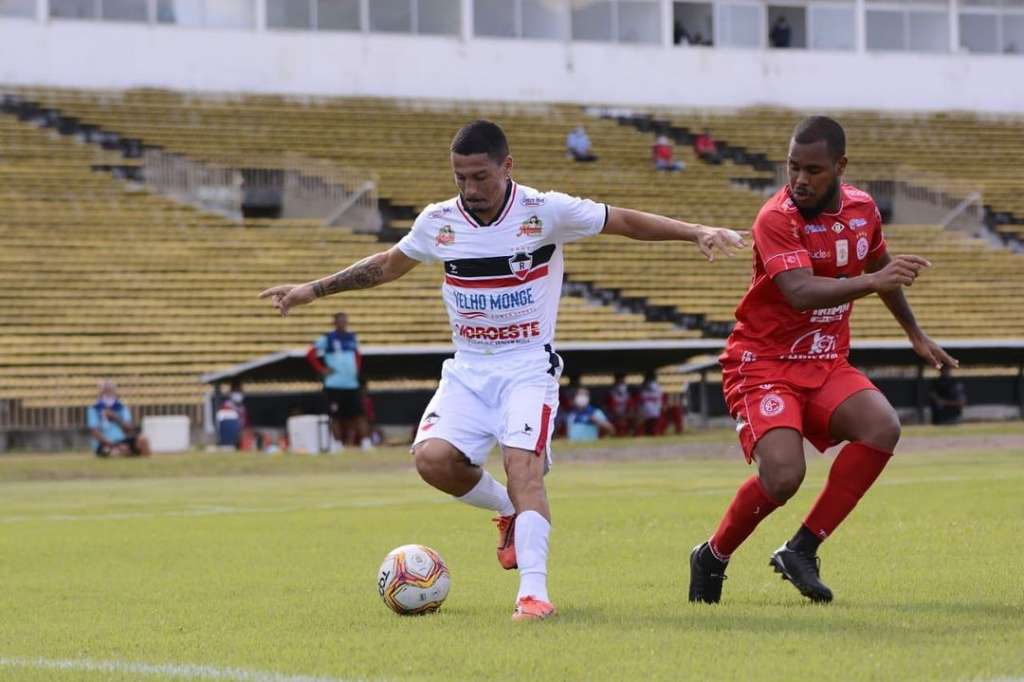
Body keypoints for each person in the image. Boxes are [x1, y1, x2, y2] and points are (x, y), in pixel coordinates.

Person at [260, 119, 744, 621]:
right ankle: (508, 510)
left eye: (481, 177)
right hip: (468, 370)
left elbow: (621, 221)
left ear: (506, 167)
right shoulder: (438, 222)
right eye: (461, 178)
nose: (470, 189)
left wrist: (695, 233)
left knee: (524, 469)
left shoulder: (545, 211)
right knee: (432, 461)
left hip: (527, 367)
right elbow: (386, 264)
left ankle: (533, 596)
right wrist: (311, 290)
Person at [688, 115, 958, 605]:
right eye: (792, 167)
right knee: (784, 476)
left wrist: (915, 333)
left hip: (824, 360)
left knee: (882, 427)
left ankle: (802, 548)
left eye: (812, 169)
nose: (799, 180)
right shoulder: (776, 218)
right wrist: (873, 282)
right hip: (764, 363)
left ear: (840, 166)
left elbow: (880, 267)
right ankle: (712, 555)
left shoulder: (862, 209)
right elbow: (798, 292)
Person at [306, 312, 372, 451]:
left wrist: (356, 370)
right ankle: (337, 444)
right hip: (334, 384)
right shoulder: (328, 338)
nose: (343, 323)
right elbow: (310, 353)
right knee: (335, 415)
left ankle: (366, 443)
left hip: (351, 384)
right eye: (340, 321)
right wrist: (322, 369)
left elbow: (357, 355)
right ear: (335, 323)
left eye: (345, 321)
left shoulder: (352, 337)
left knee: (359, 414)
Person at [87, 379, 151, 457]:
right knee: (113, 451)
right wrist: (113, 445)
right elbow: (94, 432)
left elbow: (129, 428)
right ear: (100, 392)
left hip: (122, 441)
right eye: (105, 390)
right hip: (104, 444)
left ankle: (137, 458)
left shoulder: (121, 407)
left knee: (143, 440)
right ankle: (123, 452)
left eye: (110, 390)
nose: (108, 393)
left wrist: (115, 417)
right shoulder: (94, 408)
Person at [635, 370, 665, 435]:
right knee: (651, 431)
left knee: (652, 430)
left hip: (650, 412)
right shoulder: (656, 387)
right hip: (648, 412)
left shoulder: (656, 387)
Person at [604, 372, 634, 436]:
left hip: (625, 416)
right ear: (615, 382)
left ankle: (630, 434)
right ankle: (612, 434)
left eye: (622, 381)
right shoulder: (611, 394)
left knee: (636, 417)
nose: (621, 384)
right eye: (619, 381)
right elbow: (611, 409)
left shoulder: (627, 394)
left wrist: (625, 416)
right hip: (613, 416)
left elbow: (631, 408)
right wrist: (620, 417)